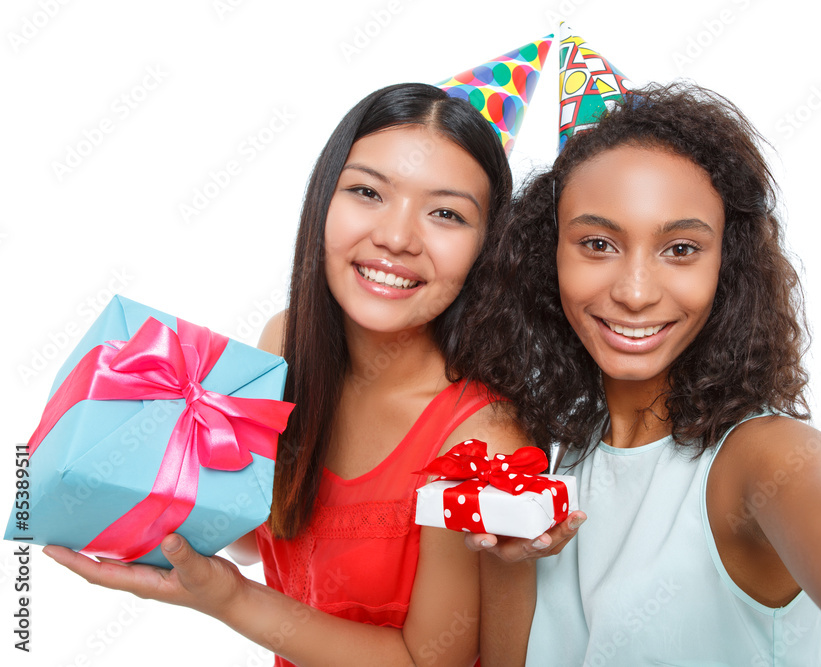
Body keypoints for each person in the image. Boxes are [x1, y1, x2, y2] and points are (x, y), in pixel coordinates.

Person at [464, 81, 821, 666]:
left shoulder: (761, 458)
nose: (635, 292)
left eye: (681, 249)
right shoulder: (561, 462)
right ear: (549, 257)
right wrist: (505, 557)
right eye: (598, 243)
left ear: (729, 266)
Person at [44, 81, 532, 667]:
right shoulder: (285, 344)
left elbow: (428, 662)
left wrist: (227, 599)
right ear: (323, 198)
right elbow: (256, 531)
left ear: (487, 246)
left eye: (446, 213)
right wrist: (142, 446)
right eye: (367, 192)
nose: (396, 237)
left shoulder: (481, 439)